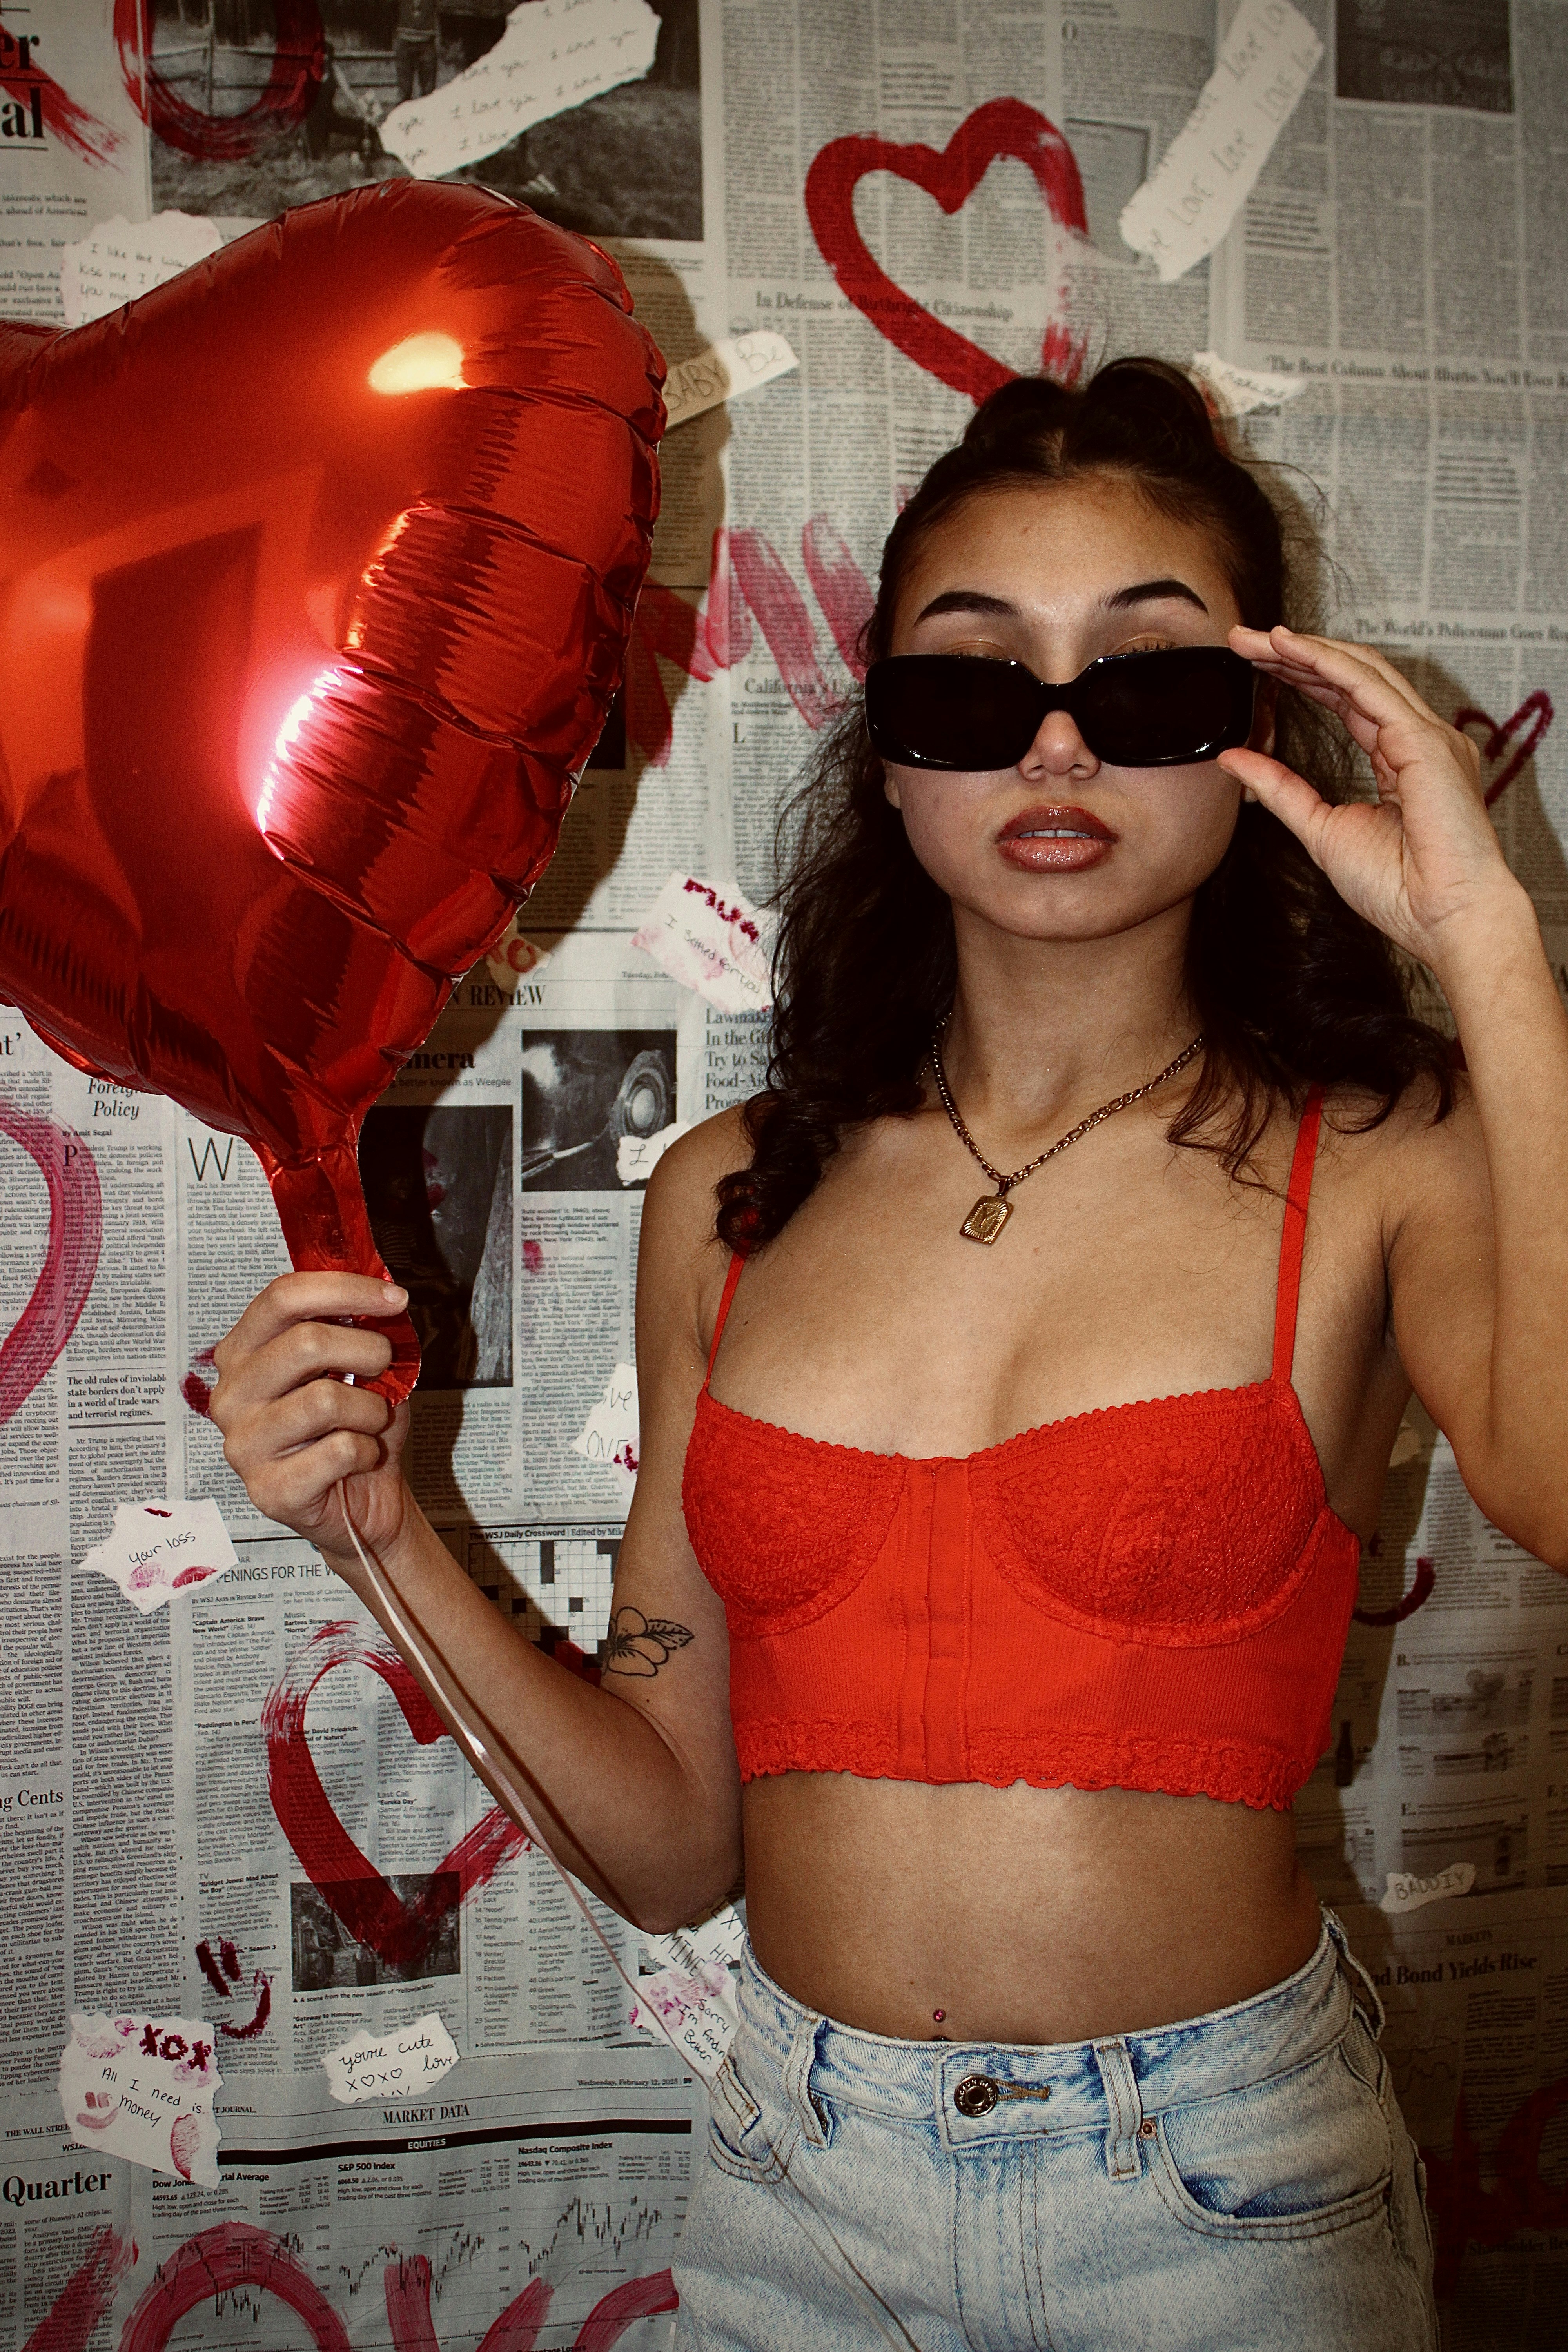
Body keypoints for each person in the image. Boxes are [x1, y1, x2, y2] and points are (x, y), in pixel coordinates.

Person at [211, 360, 1568, 2348]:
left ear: (1258, 738)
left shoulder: (1385, 1146)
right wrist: (374, 1533)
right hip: (794, 2192)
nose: (1052, 744)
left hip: (1221, 2199)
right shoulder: (734, 1196)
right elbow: (673, 1852)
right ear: (892, 758)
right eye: (965, 684)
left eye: (1148, 683)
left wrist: (1494, 954)